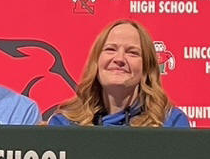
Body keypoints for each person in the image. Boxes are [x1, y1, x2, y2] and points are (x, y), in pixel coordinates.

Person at [48, 19, 190, 127]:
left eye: (132, 52)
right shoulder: (65, 123)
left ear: (146, 67)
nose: (119, 59)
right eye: (110, 49)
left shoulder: (170, 123)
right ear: (96, 62)